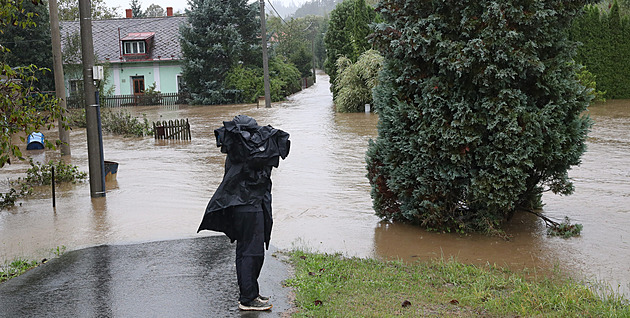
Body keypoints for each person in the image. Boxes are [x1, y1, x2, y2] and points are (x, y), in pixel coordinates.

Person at [198, 115, 290, 311]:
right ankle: (248, 299)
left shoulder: (236, 149)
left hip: (239, 205)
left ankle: (249, 294)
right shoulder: (251, 151)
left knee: (244, 250)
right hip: (250, 205)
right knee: (252, 252)